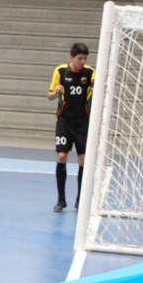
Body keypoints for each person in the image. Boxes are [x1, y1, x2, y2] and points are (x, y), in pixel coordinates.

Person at [47, 43, 95, 212]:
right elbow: (49, 96)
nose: (82, 62)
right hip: (64, 120)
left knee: (83, 159)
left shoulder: (90, 72)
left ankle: (80, 200)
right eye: (79, 58)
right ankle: (61, 200)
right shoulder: (61, 71)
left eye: (85, 58)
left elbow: (98, 88)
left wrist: (98, 87)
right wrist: (55, 92)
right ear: (71, 57)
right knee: (61, 156)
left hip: (83, 122)